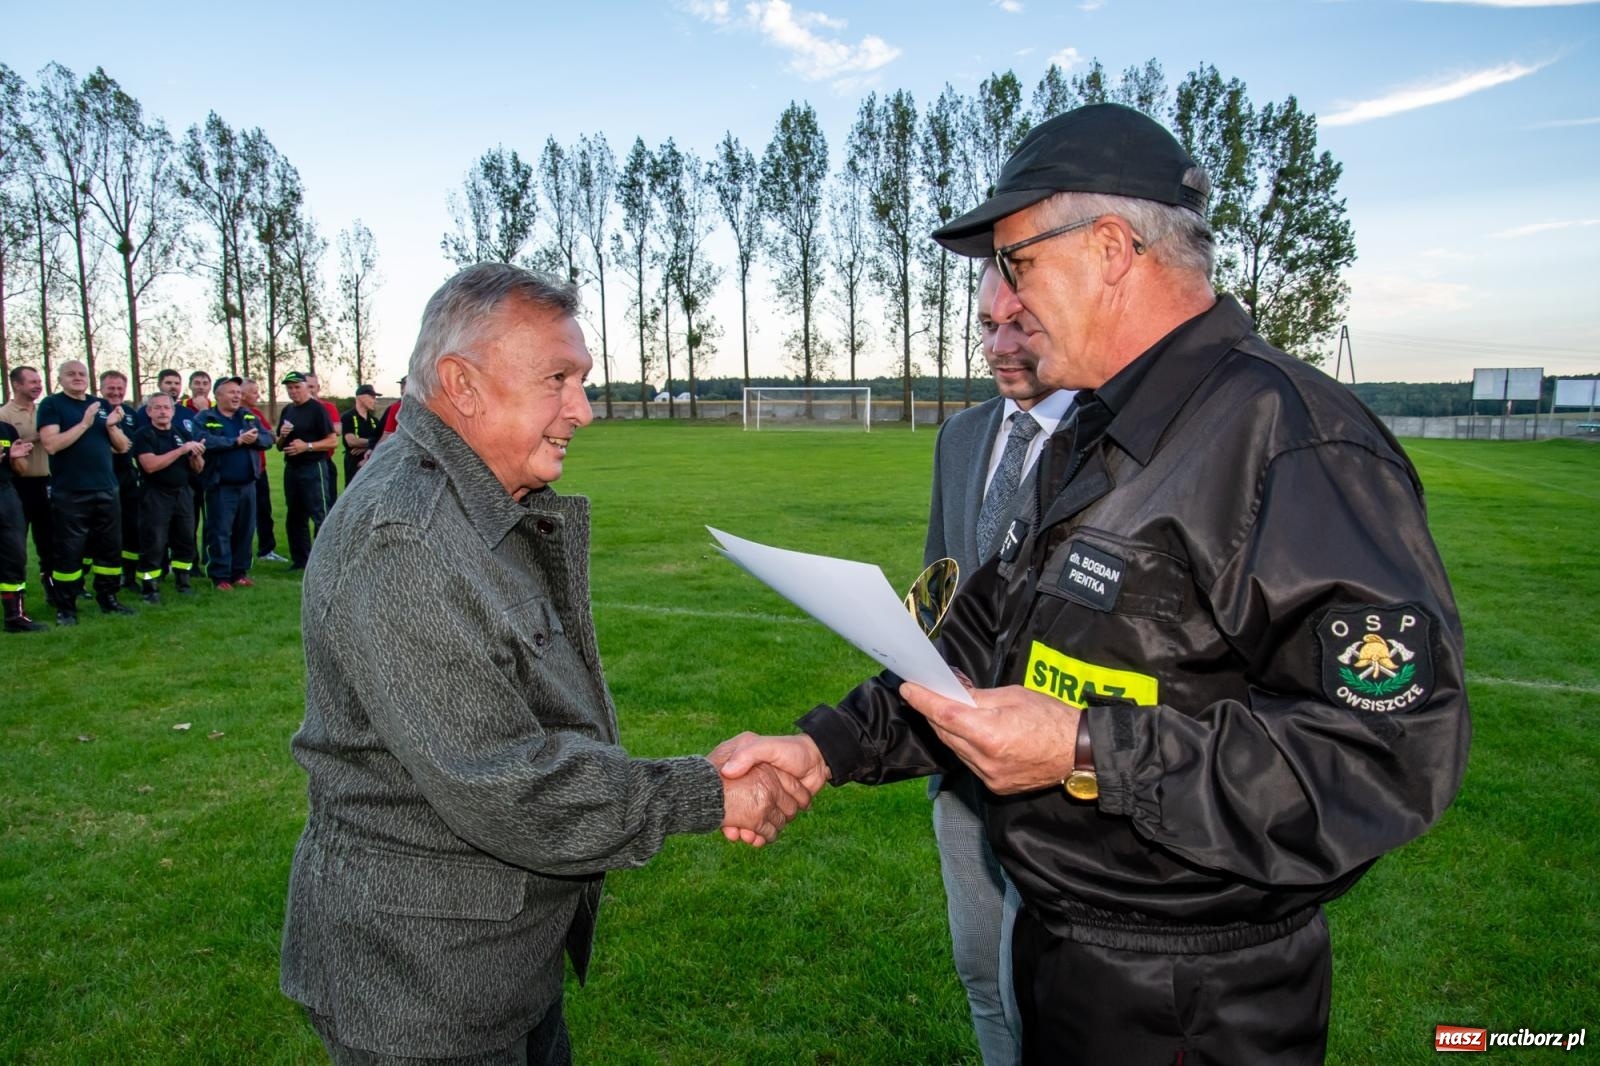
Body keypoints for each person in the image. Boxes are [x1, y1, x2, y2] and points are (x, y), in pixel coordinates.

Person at [716, 103, 1470, 1065]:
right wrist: (821, 748)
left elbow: (1391, 754)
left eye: (1020, 261)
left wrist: (1084, 748)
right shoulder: (1093, 432)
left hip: (1197, 1005)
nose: (1008, 304)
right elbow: (975, 642)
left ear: (1112, 248)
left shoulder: (1289, 441)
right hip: (1065, 953)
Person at [279, 263, 807, 1064]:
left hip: (488, 964)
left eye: (582, 381)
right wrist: (709, 791)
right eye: (557, 379)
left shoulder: (473, 502)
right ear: (461, 384)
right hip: (423, 994)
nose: (582, 410)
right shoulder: (407, 539)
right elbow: (507, 781)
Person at [922, 261, 1073, 1066]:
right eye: (986, 325)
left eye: (1021, 324)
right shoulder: (961, 436)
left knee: (1043, 990)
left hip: (1060, 776)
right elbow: (940, 582)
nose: (1000, 345)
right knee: (981, 971)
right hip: (958, 764)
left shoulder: (1107, 443)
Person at [37, 359, 135, 623]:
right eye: (71, 374)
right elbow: (52, 445)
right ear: (60, 378)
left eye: (82, 373)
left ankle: (108, 598)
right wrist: (84, 423)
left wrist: (111, 426)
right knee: (69, 551)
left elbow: (122, 447)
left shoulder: (101, 405)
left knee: (109, 549)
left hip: (106, 488)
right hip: (71, 491)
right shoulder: (52, 405)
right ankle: (66, 607)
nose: (78, 377)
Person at [195, 377, 272, 590]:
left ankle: (239, 572)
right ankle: (220, 576)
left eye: (238, 392)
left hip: (248, 485)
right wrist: (235, 441)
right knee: (219, 531)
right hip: (221, 486)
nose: (237, 396)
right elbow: (203, 440)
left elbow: (268, 439)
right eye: (231, 392)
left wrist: (254, 439)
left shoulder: (248, 416)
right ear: (218, 396)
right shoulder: (205, 417)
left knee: (245, 531)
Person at [131, 393, 204, 602]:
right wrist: (181, 450)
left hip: (182, 493)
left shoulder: (180, 432)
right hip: (155, 494)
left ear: (173, 411)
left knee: (185, 539)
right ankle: (149, 588)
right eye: (158, 408)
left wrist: (196, 455)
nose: (163, 411)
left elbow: (197, 469)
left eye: (167, 408)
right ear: (149, 412)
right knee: (154, 541)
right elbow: (150, 465)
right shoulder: (144, 435)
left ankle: (183, 581)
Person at [0, 366, 55, 599]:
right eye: (32, 381)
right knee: (15, 544)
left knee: (50, 541)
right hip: (18, 485)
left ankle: (52, 588)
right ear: (17, 385)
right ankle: (14, 592)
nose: (38, 385)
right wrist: (39, 437)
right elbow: (8, 444)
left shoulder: (45, 410)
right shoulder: (4, 414)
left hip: (47, 482)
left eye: (39, 381)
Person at [275, 371, 337, 570]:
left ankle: (323, 561)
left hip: (313, 467)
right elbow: (278, 445)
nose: (293, 392)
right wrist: (283, 437)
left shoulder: (317, 410)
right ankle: (300, 560)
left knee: (319, 514)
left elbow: (332, 441)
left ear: (306, 388)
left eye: (297, 387)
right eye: (289, 388)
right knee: (295, 515)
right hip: (292, 467)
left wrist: (307, 446)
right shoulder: (288, 411)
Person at [1, 412, 48, 631]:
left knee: (14, 554)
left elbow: (20, 470)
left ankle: (14, 616)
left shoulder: (6, 430)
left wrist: (15, 457)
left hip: (6, 493)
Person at [99, 371, 143, 589]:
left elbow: (131, 445)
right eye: (110, 388)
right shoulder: (94, 411)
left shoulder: (129, 413)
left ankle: (129, 576)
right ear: (101, 388)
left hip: (127, 475)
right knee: (104, 529)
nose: (115, 392)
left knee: (131, 526)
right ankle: (100, 579)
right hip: (101, 477)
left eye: (119, 388)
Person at [240, 378, 286, 563]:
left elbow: (271, 437)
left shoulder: (256, 413)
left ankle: (266, 550)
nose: (258, 395)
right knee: (240, 515)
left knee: (264, 511)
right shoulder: (232, 415)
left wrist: (258, 438)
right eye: (254, 392)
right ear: (242, 394)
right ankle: (240, 553)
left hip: (260, 471)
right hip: (240, 473)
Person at [306, 372, 341, 504]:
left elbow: (338, 429)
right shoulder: (294, 409)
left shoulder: (327, 407)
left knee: (328, 501)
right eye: (306, 387)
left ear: (318, 388)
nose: (309, 390)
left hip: (325, 460)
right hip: (302, 463)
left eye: (312, 387)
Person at [339, 384, 382, 486]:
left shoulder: (374, 420)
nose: (374, 401)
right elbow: (351, 441)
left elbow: (383, 441)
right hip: (353, 464)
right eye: (372, 397)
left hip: (372, 462)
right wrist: (373, 443)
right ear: (360, 397)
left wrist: (366, 446)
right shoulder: (348, 417)